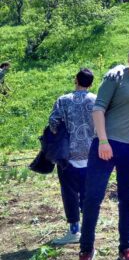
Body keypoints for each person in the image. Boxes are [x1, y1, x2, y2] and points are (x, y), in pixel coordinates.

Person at [74, 42, 129, 260]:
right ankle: (86, 251)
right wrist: (103, 141)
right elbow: (98, 109)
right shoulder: (115, 77)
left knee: (127, 199)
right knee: (92, 198)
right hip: (106, 146)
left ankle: (125, 249)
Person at [49, 68, 96, 245]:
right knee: (88, 193)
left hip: (67, 155)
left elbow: (53, 123)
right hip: (91, 155)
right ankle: (88, 229)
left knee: (69, 193)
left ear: (75, 80)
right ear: (91, 83)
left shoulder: (63, 100)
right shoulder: (96, 99)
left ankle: (74, 230)